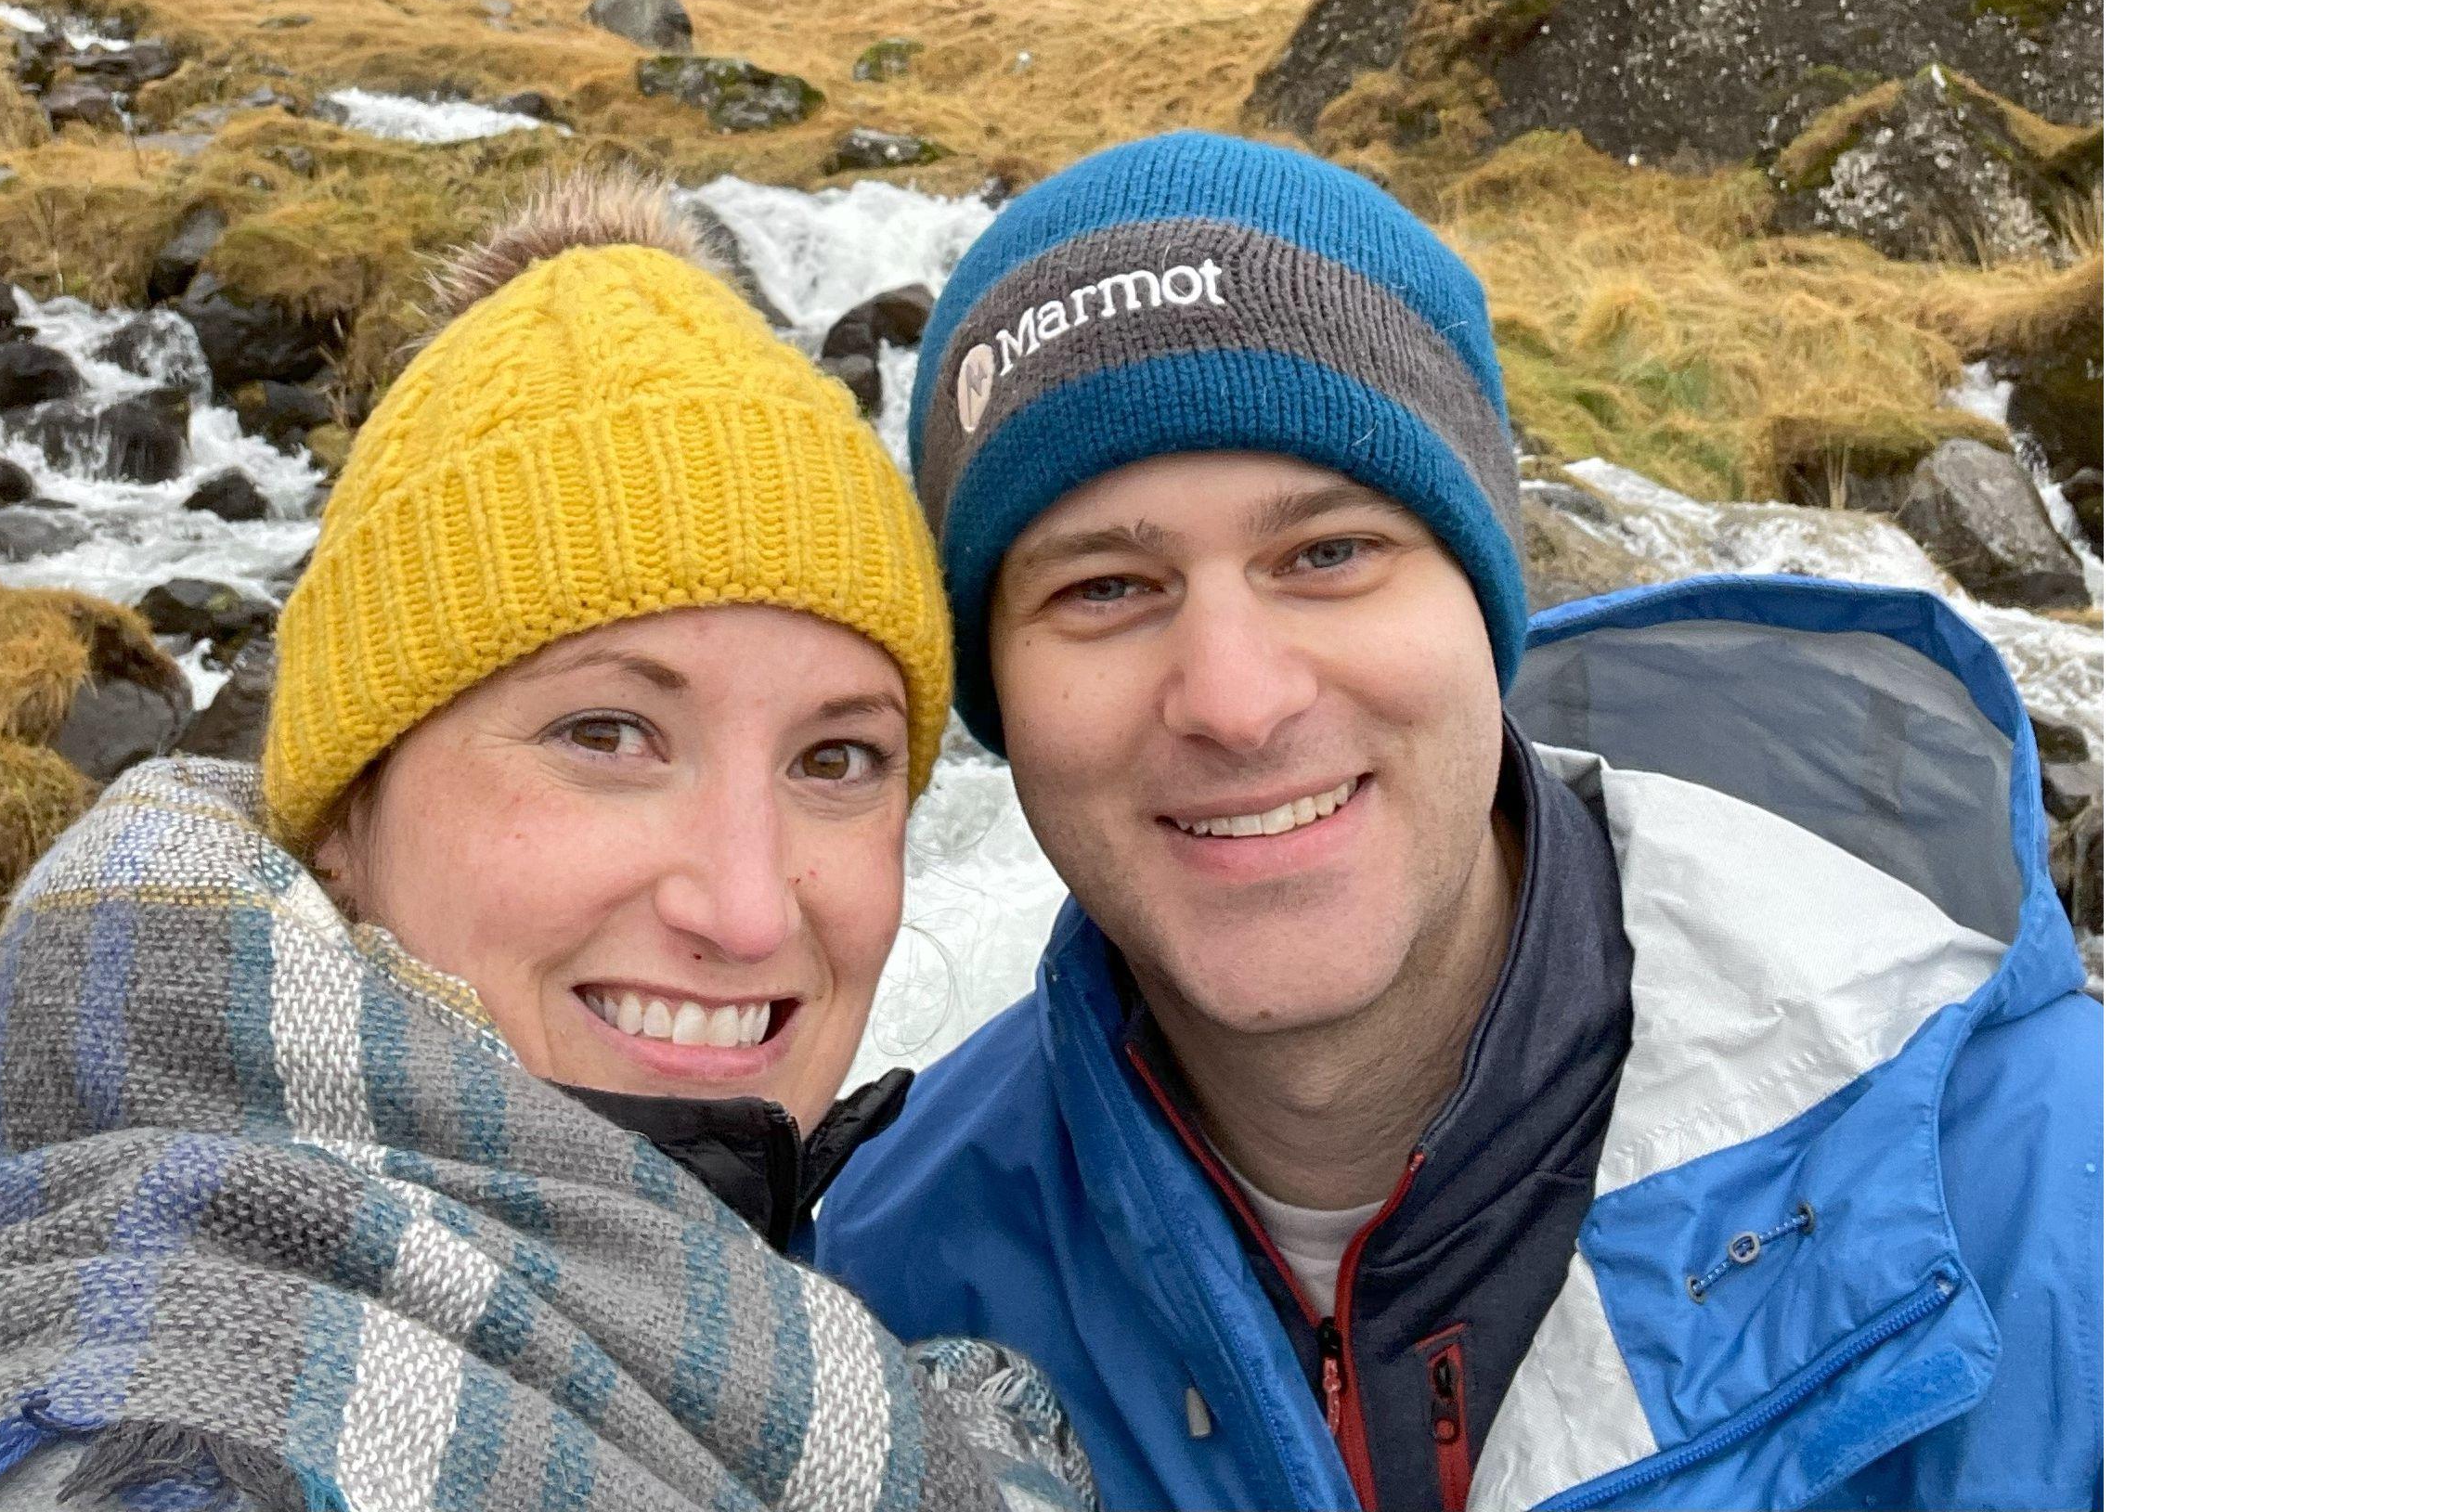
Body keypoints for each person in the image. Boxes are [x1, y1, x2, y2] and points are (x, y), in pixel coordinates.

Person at [814, 133, 2102, 1512]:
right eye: (1106, 590)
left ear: (1489, 618)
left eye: (1329, 555)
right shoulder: (887, 1278)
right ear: (998, 694)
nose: (1237, 703)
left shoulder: (2065, 1197)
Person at [0, 162, 1092, 1512]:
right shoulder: (165, 1438)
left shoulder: (787, 1337)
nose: (743, 909)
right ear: (343, 809)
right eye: (607, 735)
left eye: (835, 758)